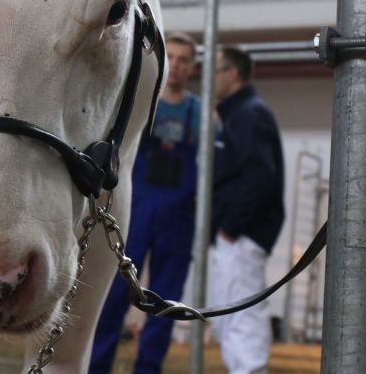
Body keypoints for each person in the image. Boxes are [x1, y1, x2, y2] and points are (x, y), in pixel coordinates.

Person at [90, 31, 201, 374]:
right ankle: (96, 365)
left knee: (166, 301)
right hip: (137, 209)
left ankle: (149, 368)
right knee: (113, 295)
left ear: (193, 67)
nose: (178, 66)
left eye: (186, 60)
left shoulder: (199, 113)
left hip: (178, 216)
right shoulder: (142, 102)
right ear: (165, 58)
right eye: (175, 58)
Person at [210, 46, 285, 374]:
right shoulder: (239, 114)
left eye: (215, 70)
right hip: (237, 235)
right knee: (229, 317)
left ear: (232, 74)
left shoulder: (247, 114)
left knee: (241, 317)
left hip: (241, 236)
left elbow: (260, 176)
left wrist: (231, 226)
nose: (209, 79)